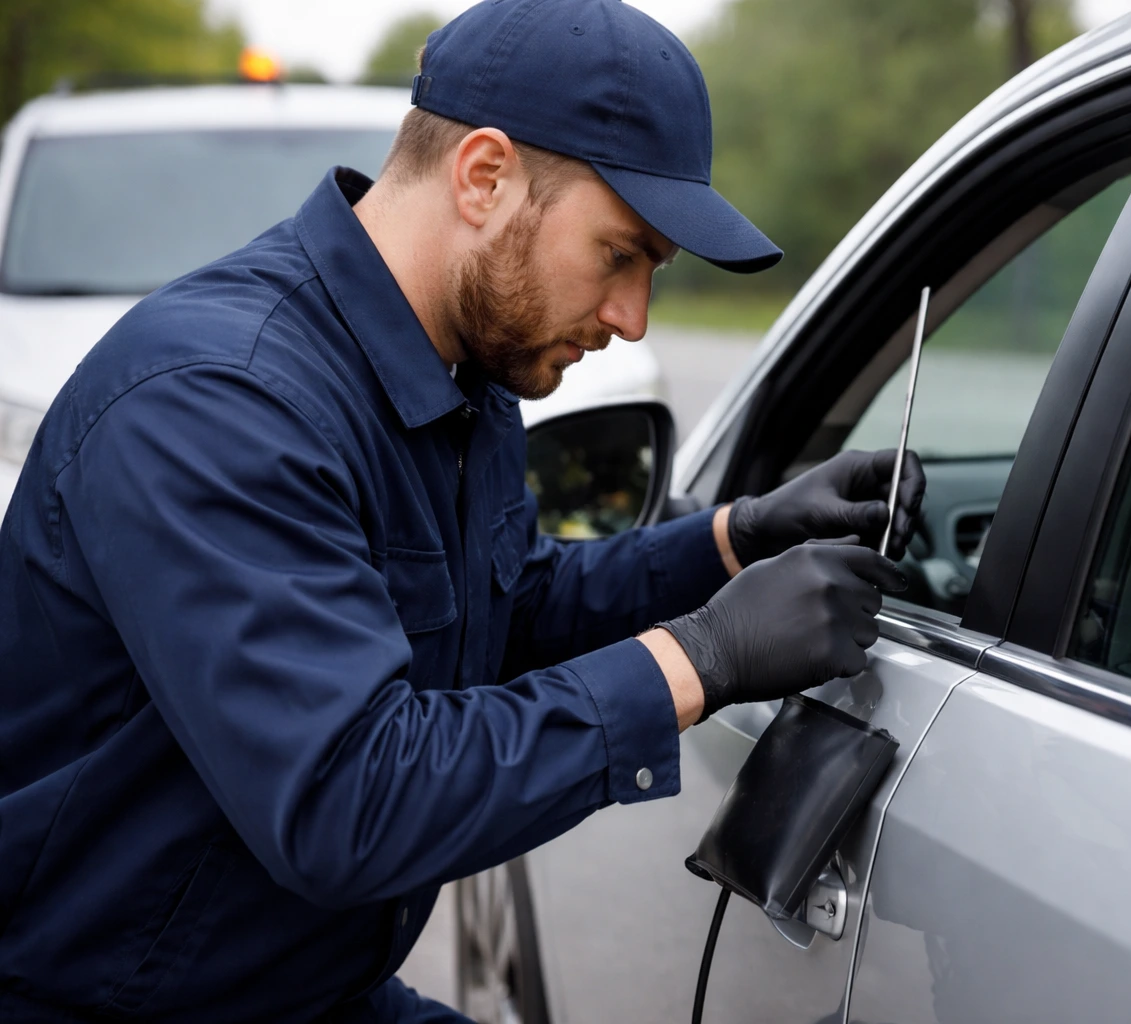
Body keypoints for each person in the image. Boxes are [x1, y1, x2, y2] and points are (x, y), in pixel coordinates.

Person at [0, 1, 925, 1020]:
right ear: (484, 177)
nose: (632, 318)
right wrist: (700, 659)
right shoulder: (220, 402)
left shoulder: (460, 369)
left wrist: (730, 540)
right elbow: (347, 800)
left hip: (302, 992)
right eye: (620, 254)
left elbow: (504, 606)